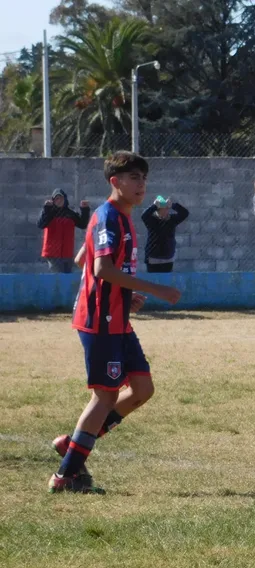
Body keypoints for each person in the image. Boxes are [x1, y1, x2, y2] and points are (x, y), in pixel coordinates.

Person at [48, 151, 182, 494]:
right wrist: (156, 289)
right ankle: (66, 475)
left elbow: (83, 257)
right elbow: (100, 268)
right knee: (105, 396)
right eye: (133, 178)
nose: (141, 185)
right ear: (115, 182)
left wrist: (123, 295)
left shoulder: (119, 217)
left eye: (144, 178)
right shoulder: (110, 216)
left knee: (142, 390)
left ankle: (74, 446)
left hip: (117, 318)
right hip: (101, 321)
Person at [38, 189, 90, 273]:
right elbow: (41, 224)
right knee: (57, 276)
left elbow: (83, 224)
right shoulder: (49, 212)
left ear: (65, 199)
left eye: (61, 198)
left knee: (66, 276)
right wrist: (46, 209)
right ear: (53, 200)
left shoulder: (70, 214)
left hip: (67, 253)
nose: (59, 201)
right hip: (52, 253)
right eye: (56, 199)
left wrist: (85, 210)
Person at [140, 195, 189, 273]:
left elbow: (185, 213)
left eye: (166, 209)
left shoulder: (172, 220)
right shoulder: (152, 220)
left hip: (168, 258)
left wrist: (173, 205)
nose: (165, 211)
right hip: (153, 259)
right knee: (153, 283)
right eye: (162, 209)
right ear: (157, 210)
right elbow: (144, 216)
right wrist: (154, 206)